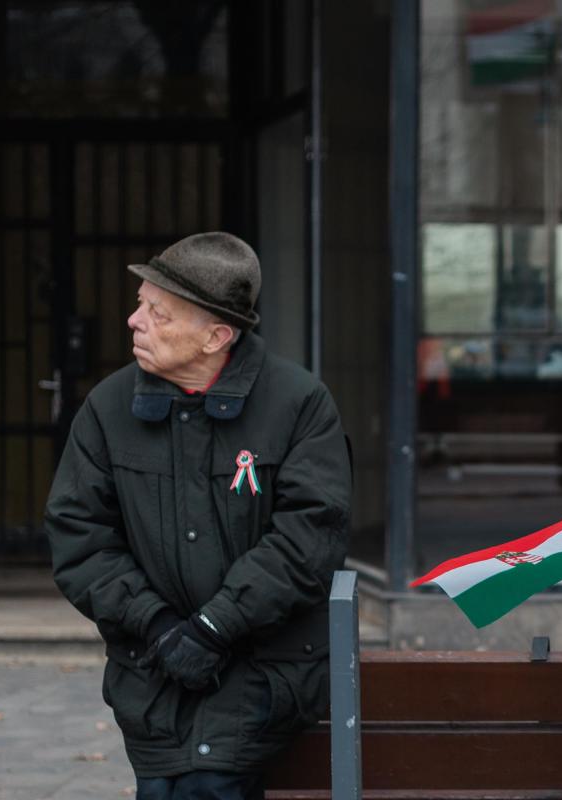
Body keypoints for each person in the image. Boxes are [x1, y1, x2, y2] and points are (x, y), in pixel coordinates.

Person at [45, 232, 352, 799]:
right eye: (141, 303)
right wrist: (158, 627)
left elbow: (308, 538)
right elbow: (79, 536)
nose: (134, 320)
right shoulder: (107, 409)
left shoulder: (299, 404)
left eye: (157, 313)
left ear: (216, 336)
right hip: (151, 670)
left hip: (263, 671)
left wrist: (215, 628)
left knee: (208, 782)